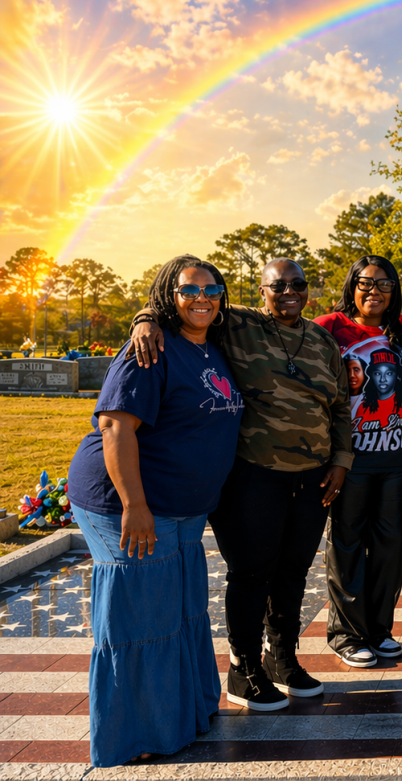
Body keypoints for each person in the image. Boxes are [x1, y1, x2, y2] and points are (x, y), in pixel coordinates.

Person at [129, 258, 351, 711]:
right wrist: (145, 318)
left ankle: (281, 659)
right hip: (253, 476)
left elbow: (341, 406)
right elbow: (188, 302)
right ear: (261, 290)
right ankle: (243, 668)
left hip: (312, 479)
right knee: (253, 573)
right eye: (278, 285)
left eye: (298, 284)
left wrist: (342, 461)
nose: (288, 291)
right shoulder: (237, 324)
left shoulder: (324, 341)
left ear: (308, 291)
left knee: (293, 572)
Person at [69, 256, 243, 766]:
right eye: (189, 290)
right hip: (130, 502)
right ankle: (138, 733)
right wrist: (135, 506)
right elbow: (116, 428)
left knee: (182, 613)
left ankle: (185, 713)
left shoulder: (212, 342)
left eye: (213, 289)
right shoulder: (149, 349)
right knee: (141, 621)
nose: (202, 298)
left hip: (184, 509)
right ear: (168, 294)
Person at [314, 257, 402, 668]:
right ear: (352, 286)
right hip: (350, 458)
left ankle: (380, 629)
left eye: (383, 284)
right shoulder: (330, 327)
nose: (373, 291)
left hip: (399, 457)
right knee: (346, 545)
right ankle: (346, 634)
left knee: (389, 547)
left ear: (394, 291)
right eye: (365, 283)